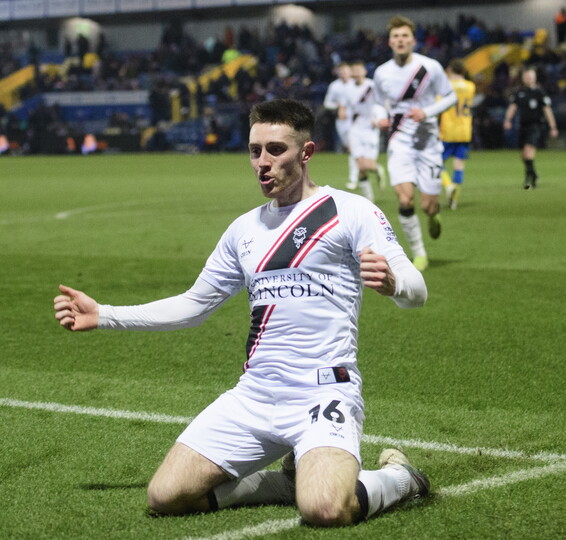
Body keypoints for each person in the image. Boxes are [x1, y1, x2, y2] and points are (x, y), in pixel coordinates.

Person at [53, 99, 430, 527]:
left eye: (276, 150)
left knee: (325, 508)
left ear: (306, 152)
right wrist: (104, 314)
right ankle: (286, 483)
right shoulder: (243, 230)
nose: (262, 163)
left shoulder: (350, 210)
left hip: (323, 391)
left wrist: (394, 284)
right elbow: (193, 305)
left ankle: (401, 478)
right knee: (165, 495)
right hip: (255, 394)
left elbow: (416, 290)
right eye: (255, 151)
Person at [372, 15, 456, 272]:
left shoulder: (430, 67)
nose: (400, 40)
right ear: (390, 42)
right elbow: (378, 103)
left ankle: (433, 213)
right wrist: (380, 117)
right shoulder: (382, 72)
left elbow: (450, 97)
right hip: (399, 139)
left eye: (405, 36)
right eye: (396, 36)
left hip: (428, 140)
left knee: (427, 204)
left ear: (413, 40)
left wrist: (427, 112)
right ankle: (419, 254)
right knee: (405, 199)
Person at [502, 67, 558, 190]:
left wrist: (553, 127)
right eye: (527, 77)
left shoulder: (540, 93)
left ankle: (529, 178)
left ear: (535, 78)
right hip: (522, 126)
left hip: (536, 126)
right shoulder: (519, 93)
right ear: (523, 78)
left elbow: (547, 110)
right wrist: (507, 120)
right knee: (523, 155)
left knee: (528, 151)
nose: (529, 79)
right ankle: (533, 173)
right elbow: (512, 107)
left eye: (531, 77)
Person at [345, 60, 386, 202]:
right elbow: (348, 109)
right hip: (355, 130)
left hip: (370, 130)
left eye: (359, 70)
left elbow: (381, 104)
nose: (356, 73)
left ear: (364, 71)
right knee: (360, 165)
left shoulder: (372, 86)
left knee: (366, 165)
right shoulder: (348, 89)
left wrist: (379, 118)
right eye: (354, 71)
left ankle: (377, 168)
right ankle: (368, 197)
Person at [439, 59, 476, 210]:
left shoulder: (446, 86)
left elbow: (439, 105)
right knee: (459, 165)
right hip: (465, 130)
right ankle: (454, 199)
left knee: (436, 163)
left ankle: (448, 186)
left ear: (450, 70)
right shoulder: (471, 86)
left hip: (448, 130)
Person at [323, 62, 357, 188]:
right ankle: (369, 167)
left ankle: (354, 178)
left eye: (346, 71)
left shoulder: (355, 84)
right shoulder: (334, 86)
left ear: (350, 72)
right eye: (341, 72)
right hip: (341, 121)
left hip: (355, 120)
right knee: (349, 147)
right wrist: (338, 106)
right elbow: (327, 103)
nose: (343, 74)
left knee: (353, 148)